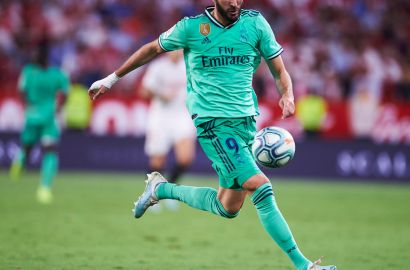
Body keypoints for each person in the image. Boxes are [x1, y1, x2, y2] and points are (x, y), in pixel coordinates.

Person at [88, 1, 336, 269]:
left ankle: (161, 189)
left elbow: (279, 70)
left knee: (227, 207)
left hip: (246, 125)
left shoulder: (255, 24)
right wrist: (111, 79)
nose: (235, 3)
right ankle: (303, 265)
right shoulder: (191, 28)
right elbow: (151, 49)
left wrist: (287, 94)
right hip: (214, 124)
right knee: (261, 186)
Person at [9, 41, 70, 204]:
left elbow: (21, 90)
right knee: (41, 150)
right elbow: (65, 92)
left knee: (45, 150)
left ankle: (43, 186)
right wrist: (59, 107)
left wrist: (26, 105)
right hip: (46, 116)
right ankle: (39, 182)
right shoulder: (55, 73)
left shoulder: (28, 72)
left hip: (35, 116)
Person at [140, 50, 196, 210]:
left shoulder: (189, 66)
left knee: (186, 158)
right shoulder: (158, 67)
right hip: (160, 117)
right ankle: (151, 195)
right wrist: (161, 94)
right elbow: (143, 91)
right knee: (157, 161)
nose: (176, 51)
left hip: (181, 115)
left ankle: (170, 190)